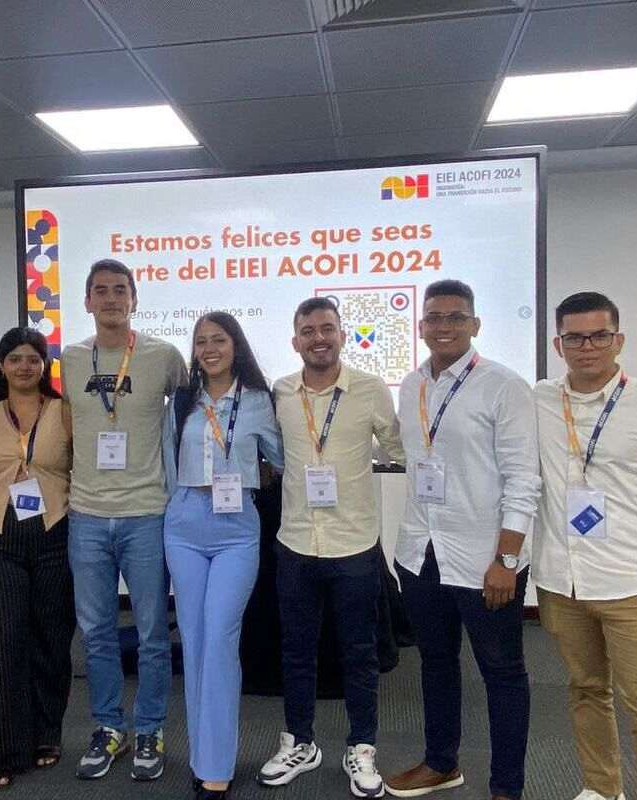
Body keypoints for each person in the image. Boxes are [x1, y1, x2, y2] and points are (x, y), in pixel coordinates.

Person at [534, 292, 637, 800]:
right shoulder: (539, 400)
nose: (587, 347)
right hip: (561, 582)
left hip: (635, 585)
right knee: (587, 692)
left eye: (599, 335)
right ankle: (602, 789)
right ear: (558, 344)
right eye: (574, 337)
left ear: (618, 340)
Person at [385, 281, 539, 800]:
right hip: (421, 552)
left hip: (484, 558)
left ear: (475, 325)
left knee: (502, 673)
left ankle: (506, 788)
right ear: (421, 325)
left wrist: (507, 559)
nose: (444, 326)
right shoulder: (411, 386)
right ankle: (441, 763)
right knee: (435, 663)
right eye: (434, 317)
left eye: (456, 317)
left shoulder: (503, 386)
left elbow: (524, 480)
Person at [258, 296, 404, 799]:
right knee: (296, 652)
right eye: (308, 330)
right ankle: (300, 740)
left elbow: (400, 447)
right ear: (295, 340)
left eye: (327, 328)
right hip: (296, 544)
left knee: (359, 654)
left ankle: (362, 747)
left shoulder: (369, 391)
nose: (318, 337)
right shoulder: (280, 392)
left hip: (354, 546)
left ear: (342, 334)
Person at [61, 259, 187, 781]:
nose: (111, 298)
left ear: (135, 299)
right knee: (96, 634)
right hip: (86, 515)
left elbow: (196, 411)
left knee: (155, 633)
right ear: (87, 302)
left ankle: (150, 729)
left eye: (120, 290)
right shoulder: (69, 360)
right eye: (100, 291)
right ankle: (110, 727)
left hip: (146, 514)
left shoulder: (163, 356)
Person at [162, 312, 284, 800]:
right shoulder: (181, 403)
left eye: (219, 339)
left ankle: (216, 763)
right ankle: (202, 757)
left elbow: (281, 458)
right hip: (185, 522)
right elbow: (167, 461)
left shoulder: (259, 401)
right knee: (193, 642)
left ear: (236, 346)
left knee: (219, 637)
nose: (209, 348)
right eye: (201, 341)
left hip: (236, 529)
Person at [0, 326, 74, 788]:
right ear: (1, 366)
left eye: (33, 358)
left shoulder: (65, 412)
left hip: (55, 532)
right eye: (15, 358)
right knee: (2, 641)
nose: (24, 366)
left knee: (51, 638)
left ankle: (46, 734)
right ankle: (7, 747)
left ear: (44, 365)